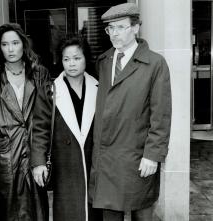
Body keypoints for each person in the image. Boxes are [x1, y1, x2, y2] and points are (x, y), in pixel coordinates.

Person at [88, 3, 172, 221]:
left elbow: (161, 115)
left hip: (137, 158)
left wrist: (152, 156)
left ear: (136, 28)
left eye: (120, 27)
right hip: (107, 160)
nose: (114, 34)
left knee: (142, 216)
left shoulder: (155, 64)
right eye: (110, 28)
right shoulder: (104, 61)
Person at [0, 23, 49, 221]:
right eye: (5, 44)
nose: (10, 49)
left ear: (23, 45)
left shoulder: (39, 73)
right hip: (6, 156)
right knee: (9, 212)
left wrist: (42, 154)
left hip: (35, 153)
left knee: (38, 210)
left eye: (15, 43)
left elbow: (46, 116)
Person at [31, 35, 100, 221]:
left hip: (93, 162)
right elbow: (39, 128)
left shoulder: (99, 88)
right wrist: (38, 162)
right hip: (64, 163)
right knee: (68, 211)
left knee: (93, 211)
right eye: (66, 59)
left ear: (86, 58)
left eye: (77, 58)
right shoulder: (50, 90)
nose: (71, 64)